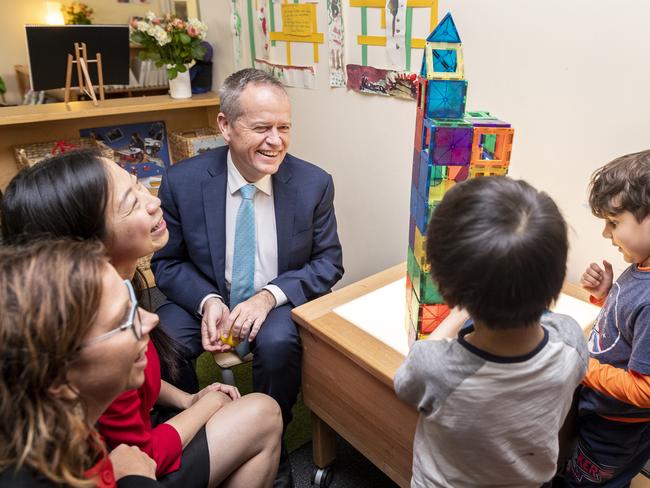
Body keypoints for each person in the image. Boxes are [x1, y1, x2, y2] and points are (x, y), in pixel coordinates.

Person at [1, 150, 283, 487]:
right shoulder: (88, 337)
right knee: (263, 412)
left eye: (138, 186)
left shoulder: (119, 290)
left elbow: (132, 381)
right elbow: (137, 452)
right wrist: (211, 404)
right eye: (129, 203)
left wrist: (189, 399)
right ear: (85, 241)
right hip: (133, 465)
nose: (152, 202)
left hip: (139, 440)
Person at [151, 68, 344, 484]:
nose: (276, 141)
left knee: (279, 341)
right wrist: (208, 301)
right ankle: (192, 437)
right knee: (162, 337)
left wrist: (269, 296)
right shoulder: (182, 181)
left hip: (273, 300)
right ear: (225, 125)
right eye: (261, 127)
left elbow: (328, 262)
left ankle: (266, 440)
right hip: (206, 293)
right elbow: (167, 263)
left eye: (284, 127)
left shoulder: (313, 184)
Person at [394, 176, 589, 487]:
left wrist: (459, 311)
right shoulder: (570, 339)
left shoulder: (435, 367)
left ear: (447, 288)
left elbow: (407, 380)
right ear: (556, 278)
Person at [0, 238, 160, 487]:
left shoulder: (69, 433)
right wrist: (137, 480)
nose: (151, 319)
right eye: (122, 319)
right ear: (58, 377)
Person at [564, 150, 650, 486]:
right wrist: (606, 294)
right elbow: (629, 329)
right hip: (613, 420)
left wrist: (583, 365)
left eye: (614, 223)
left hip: (615, 428)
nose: (605, 234)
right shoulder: (643, 265)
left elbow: (645, 391)